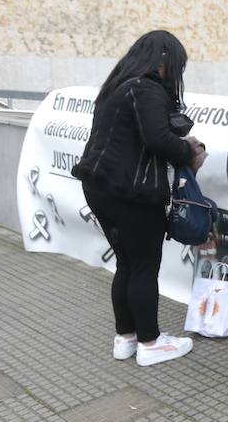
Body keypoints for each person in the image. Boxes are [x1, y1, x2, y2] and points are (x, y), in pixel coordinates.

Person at [72, 30, 208, 367]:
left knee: (127, 264)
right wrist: (188, 151)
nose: (177, 74)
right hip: (132, 192)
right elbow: (158, 139)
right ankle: (150, 342)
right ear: (163, 62)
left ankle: (126, 337)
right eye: (177, 65)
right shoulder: (146, 88)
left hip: (100, 187)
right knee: (145, 267)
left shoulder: (118, 86)